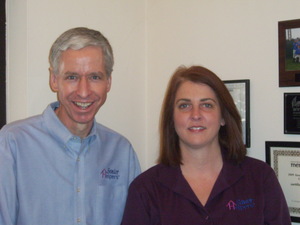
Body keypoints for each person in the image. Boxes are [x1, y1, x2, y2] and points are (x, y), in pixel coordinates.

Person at [0, 27, 141, 225]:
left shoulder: (122, 151)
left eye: (94, 77)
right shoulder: (13, 143)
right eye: (72, 77)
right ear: (54, 80)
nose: (84, 92)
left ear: (108, 82)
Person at [121, 65, 291, 225]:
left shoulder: (260, 178)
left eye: (207, 105)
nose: (196, 115)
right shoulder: (145, 189)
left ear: (223, 117)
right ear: (172, 118)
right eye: (185, 105)